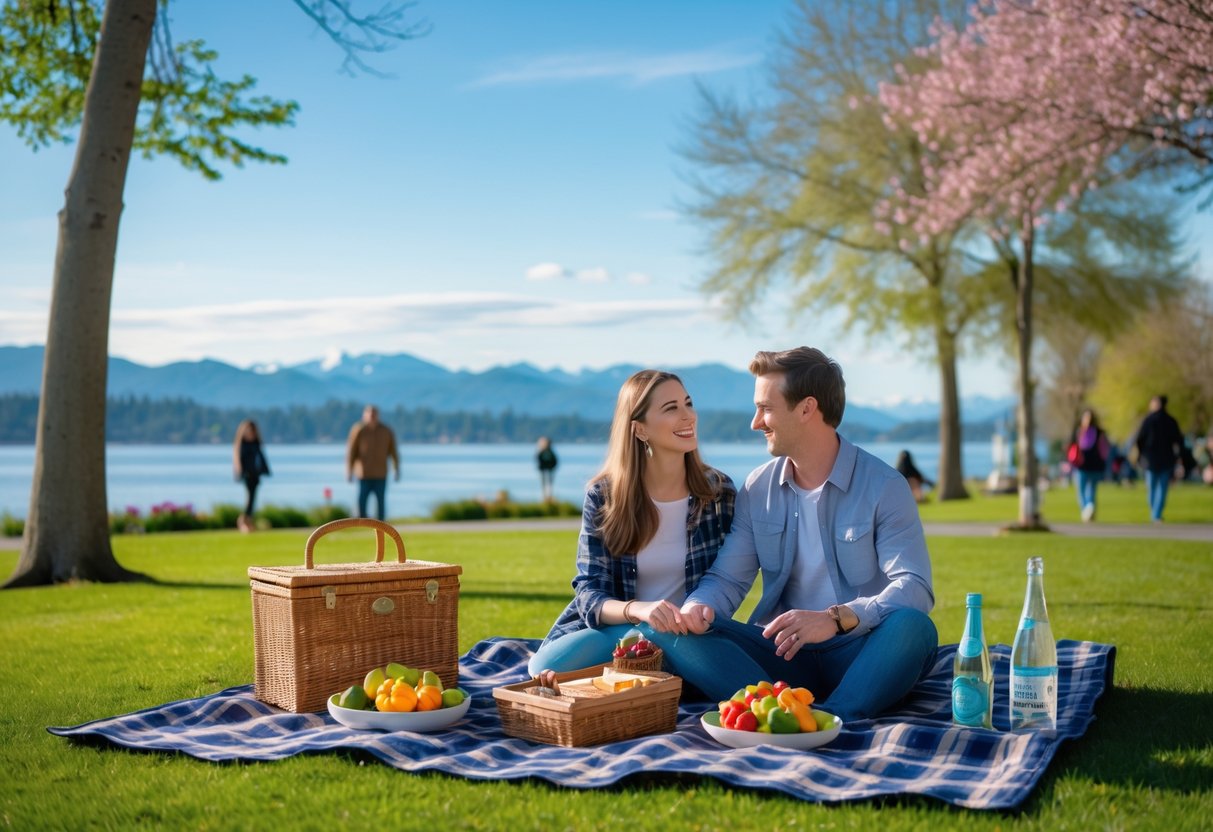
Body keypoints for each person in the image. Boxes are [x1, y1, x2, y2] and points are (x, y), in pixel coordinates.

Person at [669, 347, 938, 722]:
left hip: (860, 652)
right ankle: (791, 714)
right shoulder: (758, 487)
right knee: (676, 631)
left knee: (914, 627)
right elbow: (727, 578)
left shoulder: (884, 486)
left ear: (807, 408)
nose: (755, 422)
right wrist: (699, 607)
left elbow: (915, 587)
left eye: (766, 408)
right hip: (781, 657)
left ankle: (826, 717)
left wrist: (835, 618)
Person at [527, 370, 736, 677]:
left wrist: (694, 616)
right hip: (619, 631)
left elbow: (732, 577)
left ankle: (654, 665)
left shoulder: (718, 492)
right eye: (671, 408)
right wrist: (640, 611)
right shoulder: (604, 496)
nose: (688, 416)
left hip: (691, 637)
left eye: (688, 404)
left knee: (731, 681)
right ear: (639, 429)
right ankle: (651, 662)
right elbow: (589, 594)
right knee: (543, 666)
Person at [345, 405, 400, 521]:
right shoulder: (358, 430)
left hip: (381, 473)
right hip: (363, 473)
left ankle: (381, 524)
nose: (372, 417)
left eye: (374, 414)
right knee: (362, 500)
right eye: (370, 414)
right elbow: (351, 452)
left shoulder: (386, 430)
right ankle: (362, 522)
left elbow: (393, 451)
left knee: (381, 501)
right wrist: (349, 471)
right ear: (364, 415)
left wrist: (396, 468)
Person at [1134, 394, 1184, 522]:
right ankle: (1156, 513)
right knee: (1161, 487)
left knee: (1153, 486)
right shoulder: (1171, 421)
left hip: (1151, 459)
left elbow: (1140, 439)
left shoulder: (1148, 420)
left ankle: (1155, 512)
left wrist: (1140, 454)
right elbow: (1178, 441)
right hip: (1165, 459)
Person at [1068, 408, 1110, 522]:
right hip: (1084, 466)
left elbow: (1104, 450)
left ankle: (1088, 509)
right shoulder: (1080, 432)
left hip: (1089, 466)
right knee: (1084, 489)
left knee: (1089, 489)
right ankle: (1087, 509)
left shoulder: (1083, 432)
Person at [232, 420, 270, 533]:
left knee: (252, 499)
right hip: (247, 475)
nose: (250, 433)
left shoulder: (256, 444)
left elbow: (262, 459)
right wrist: (240, 473)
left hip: (255, 475)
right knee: (249, 499)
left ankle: (248, 521)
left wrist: (264, 471)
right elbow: (238, 460)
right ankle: (243, 521)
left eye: (252, 431)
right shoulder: (241, 445)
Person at [536, 436, 559, 502]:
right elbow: (538, 460)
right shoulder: (541, 452)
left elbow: (555, 461)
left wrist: (552, 466)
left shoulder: (550, 452)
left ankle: (549, 497)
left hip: (550, 470)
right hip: (543, 470)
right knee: (543, 484)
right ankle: (544, 498)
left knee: (549, 484)